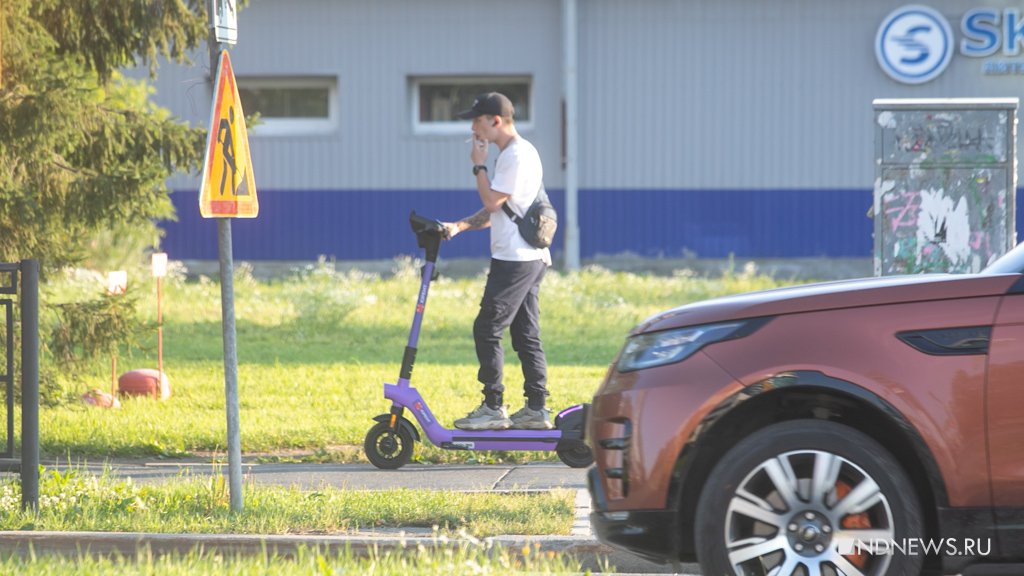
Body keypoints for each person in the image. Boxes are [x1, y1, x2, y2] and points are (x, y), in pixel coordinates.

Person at [442, 92, 553, 431]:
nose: (473, 127)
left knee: (487, 328)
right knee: (525, 334)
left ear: (496, 120)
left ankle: (493, 407)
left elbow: (492, 202)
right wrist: (461, 226)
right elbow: (504, 210)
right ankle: (536, 408)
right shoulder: (518, 153)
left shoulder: (515, 155)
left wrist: (478, 164)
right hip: (529, 257)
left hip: (515, 260)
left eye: (477, 120)